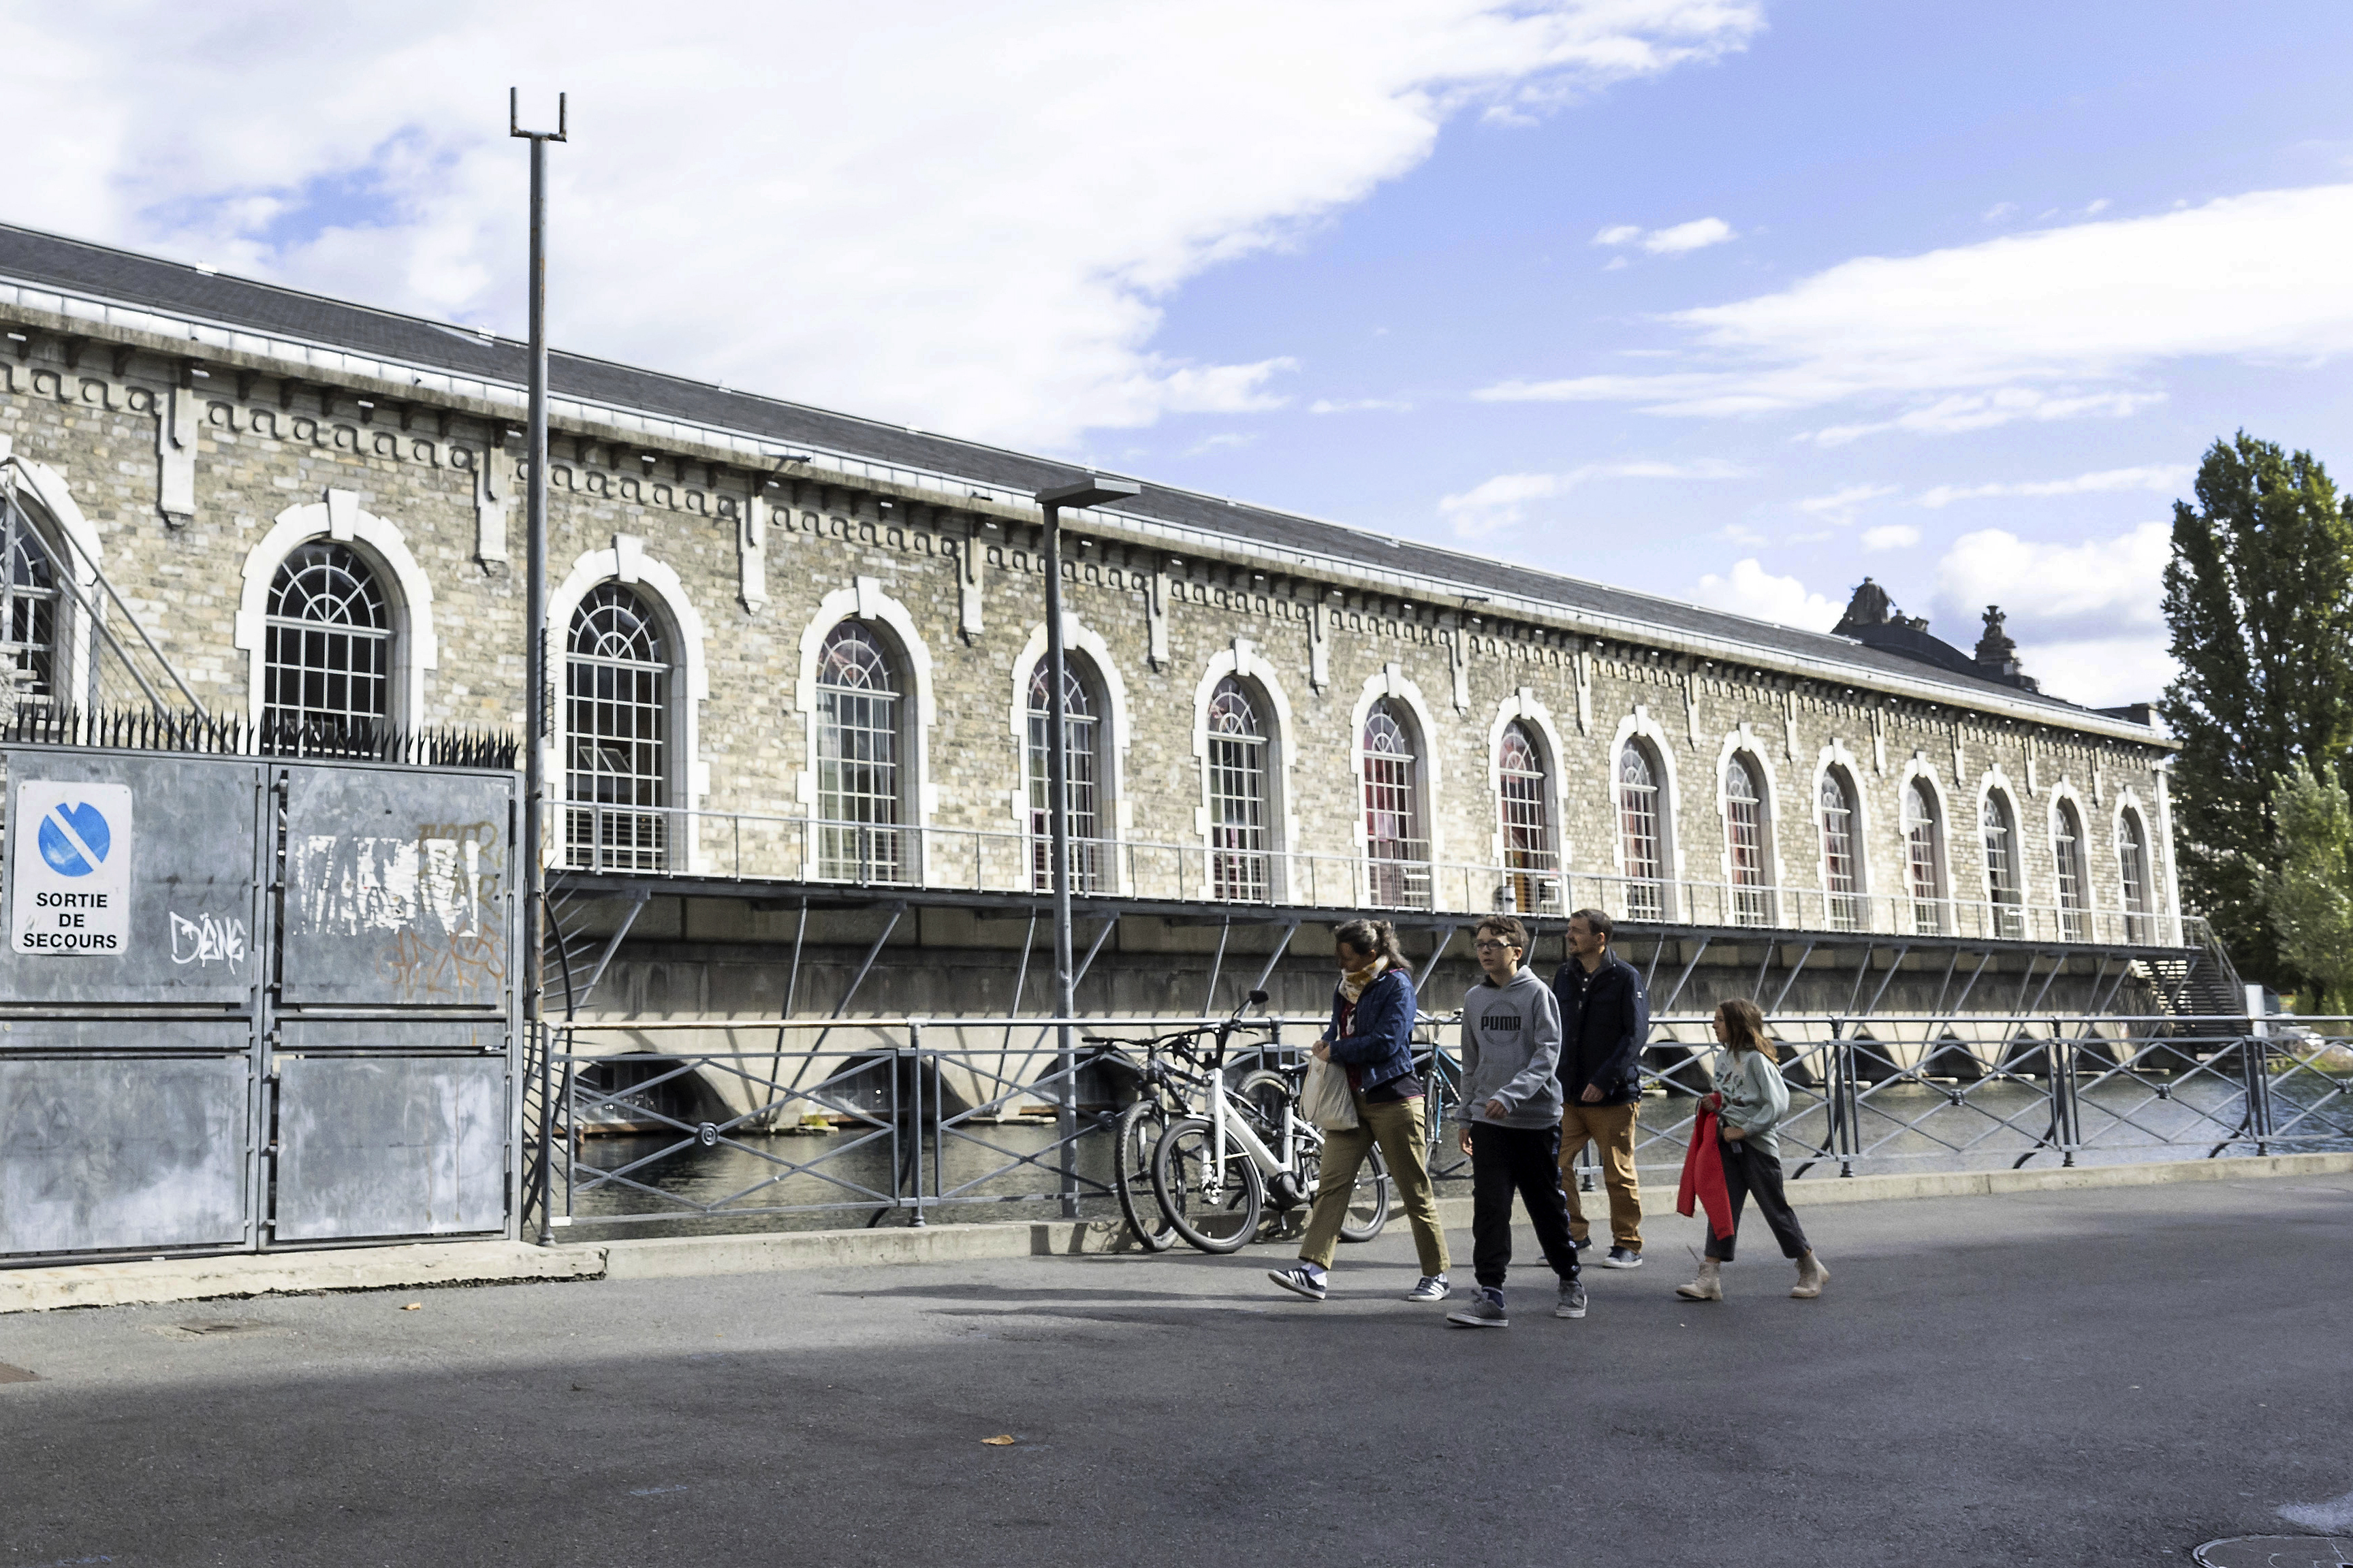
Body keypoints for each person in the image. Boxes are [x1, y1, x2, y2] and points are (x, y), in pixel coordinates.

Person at [1268, 919, 1451, 1303]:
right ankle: (1314, 1272)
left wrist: (1338, 1051)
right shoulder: (1345, 987)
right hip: (1349, 1101)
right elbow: (1341, 1031)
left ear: (1372, 954)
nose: (1340, 964)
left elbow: (1388, 1042)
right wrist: (1327, 1042)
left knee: (1414, 1190)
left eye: (1346, 957)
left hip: (1394, 1099)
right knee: (1332, 1185)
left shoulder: (1397, 985)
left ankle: (1437, 1275)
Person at [1444, 916, 1585, 1328]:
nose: (1485, 950)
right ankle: (1491, 1294)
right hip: (1489, 1121)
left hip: (1535, 1120)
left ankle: (1570, 1278)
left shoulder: (1538, 994)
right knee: (1490, 1208)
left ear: (1516, 951)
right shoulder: (1474, 998)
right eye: (1480, 944)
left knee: (1545, 1205)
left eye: (1494, 943)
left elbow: (1547, 1055)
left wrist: (1512, 1095)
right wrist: (1467, 1112)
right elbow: (1471, 1061)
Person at [1676, 998, 1829, 1302]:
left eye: (1719, 1020)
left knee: (1775, 1209)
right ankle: (1709, 1278)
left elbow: (1777, 1104)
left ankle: (1810, 1267)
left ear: (1736, 1024)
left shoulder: (1758, 1061)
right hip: (1727, 1144)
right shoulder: (1722, 1059)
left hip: (1757, 1147)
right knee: (1723, 1208)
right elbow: (1730, 1096)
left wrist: (1745, 1130)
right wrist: (1714, 1103)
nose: (1713, 1025)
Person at [1551, 908, 1648, 1270]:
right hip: (1569, 1093)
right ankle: (1574, 1234)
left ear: (1599, 938)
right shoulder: (1564, 975)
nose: (1569, 936)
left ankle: (1628, 1243)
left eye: (1576, 931)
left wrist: (1604, 1080)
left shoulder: (1625, 977)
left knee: (1617, 1172)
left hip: (1613, 1095)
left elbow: (1635, 1034)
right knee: (1555, 1165)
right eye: (1568, 929)